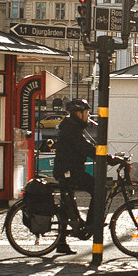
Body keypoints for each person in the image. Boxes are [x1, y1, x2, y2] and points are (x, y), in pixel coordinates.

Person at [52, 98, 99, 254]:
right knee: (97, 189)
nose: (88, 116)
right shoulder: (72, 130)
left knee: (67, 205)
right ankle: (91, 225)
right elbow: (86, 148)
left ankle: (61, 243)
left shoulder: (72, 127)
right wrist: (109, 159)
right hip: (69, 171)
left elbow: (87, 146)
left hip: (69, 170)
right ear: (78, 114)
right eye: (86, 113)